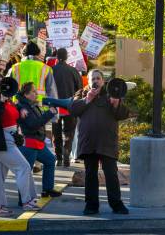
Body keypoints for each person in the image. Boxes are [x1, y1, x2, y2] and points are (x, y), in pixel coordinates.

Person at [0, 72, 41, 217]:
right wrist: (0, 100)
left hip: (9, 138)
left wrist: (20, 110)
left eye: (0, 80)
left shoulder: (6, 100)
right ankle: (28, 201)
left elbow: (13, 116)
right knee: (24, 166)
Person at [69, 69, 129, 215]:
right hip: (89, 142)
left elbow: (122, 114)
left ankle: (116, 204)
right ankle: (91, 205)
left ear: (103, 81)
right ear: (88, 82)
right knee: (90, 175)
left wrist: (116, 104)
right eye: (92, 79)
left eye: (98, 78)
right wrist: (87, 100)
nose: (95, 81)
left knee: (111, 174)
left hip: (107, 142)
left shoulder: (112, 94)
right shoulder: (82, 94)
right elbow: (73, 109)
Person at [16, 82, 62, 198]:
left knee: (50, 160)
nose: (36, 93)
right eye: (33, 91)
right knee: (26, 171)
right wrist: (49, 113)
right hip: (29, 145)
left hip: (37, 143)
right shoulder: (23, 107)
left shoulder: (30, 105)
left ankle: (47, 189)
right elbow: (33, 124)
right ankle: (23, 198)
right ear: (26, 94)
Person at [52, 48, 83, 167]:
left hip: (55, 106)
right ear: (66, 57)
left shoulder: (51, 70)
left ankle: (58, 157)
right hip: (70, 105)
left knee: (56, 132)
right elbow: (80, 88)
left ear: (56, 57)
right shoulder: (73, 71)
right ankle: (67, 151)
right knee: (69, 132)